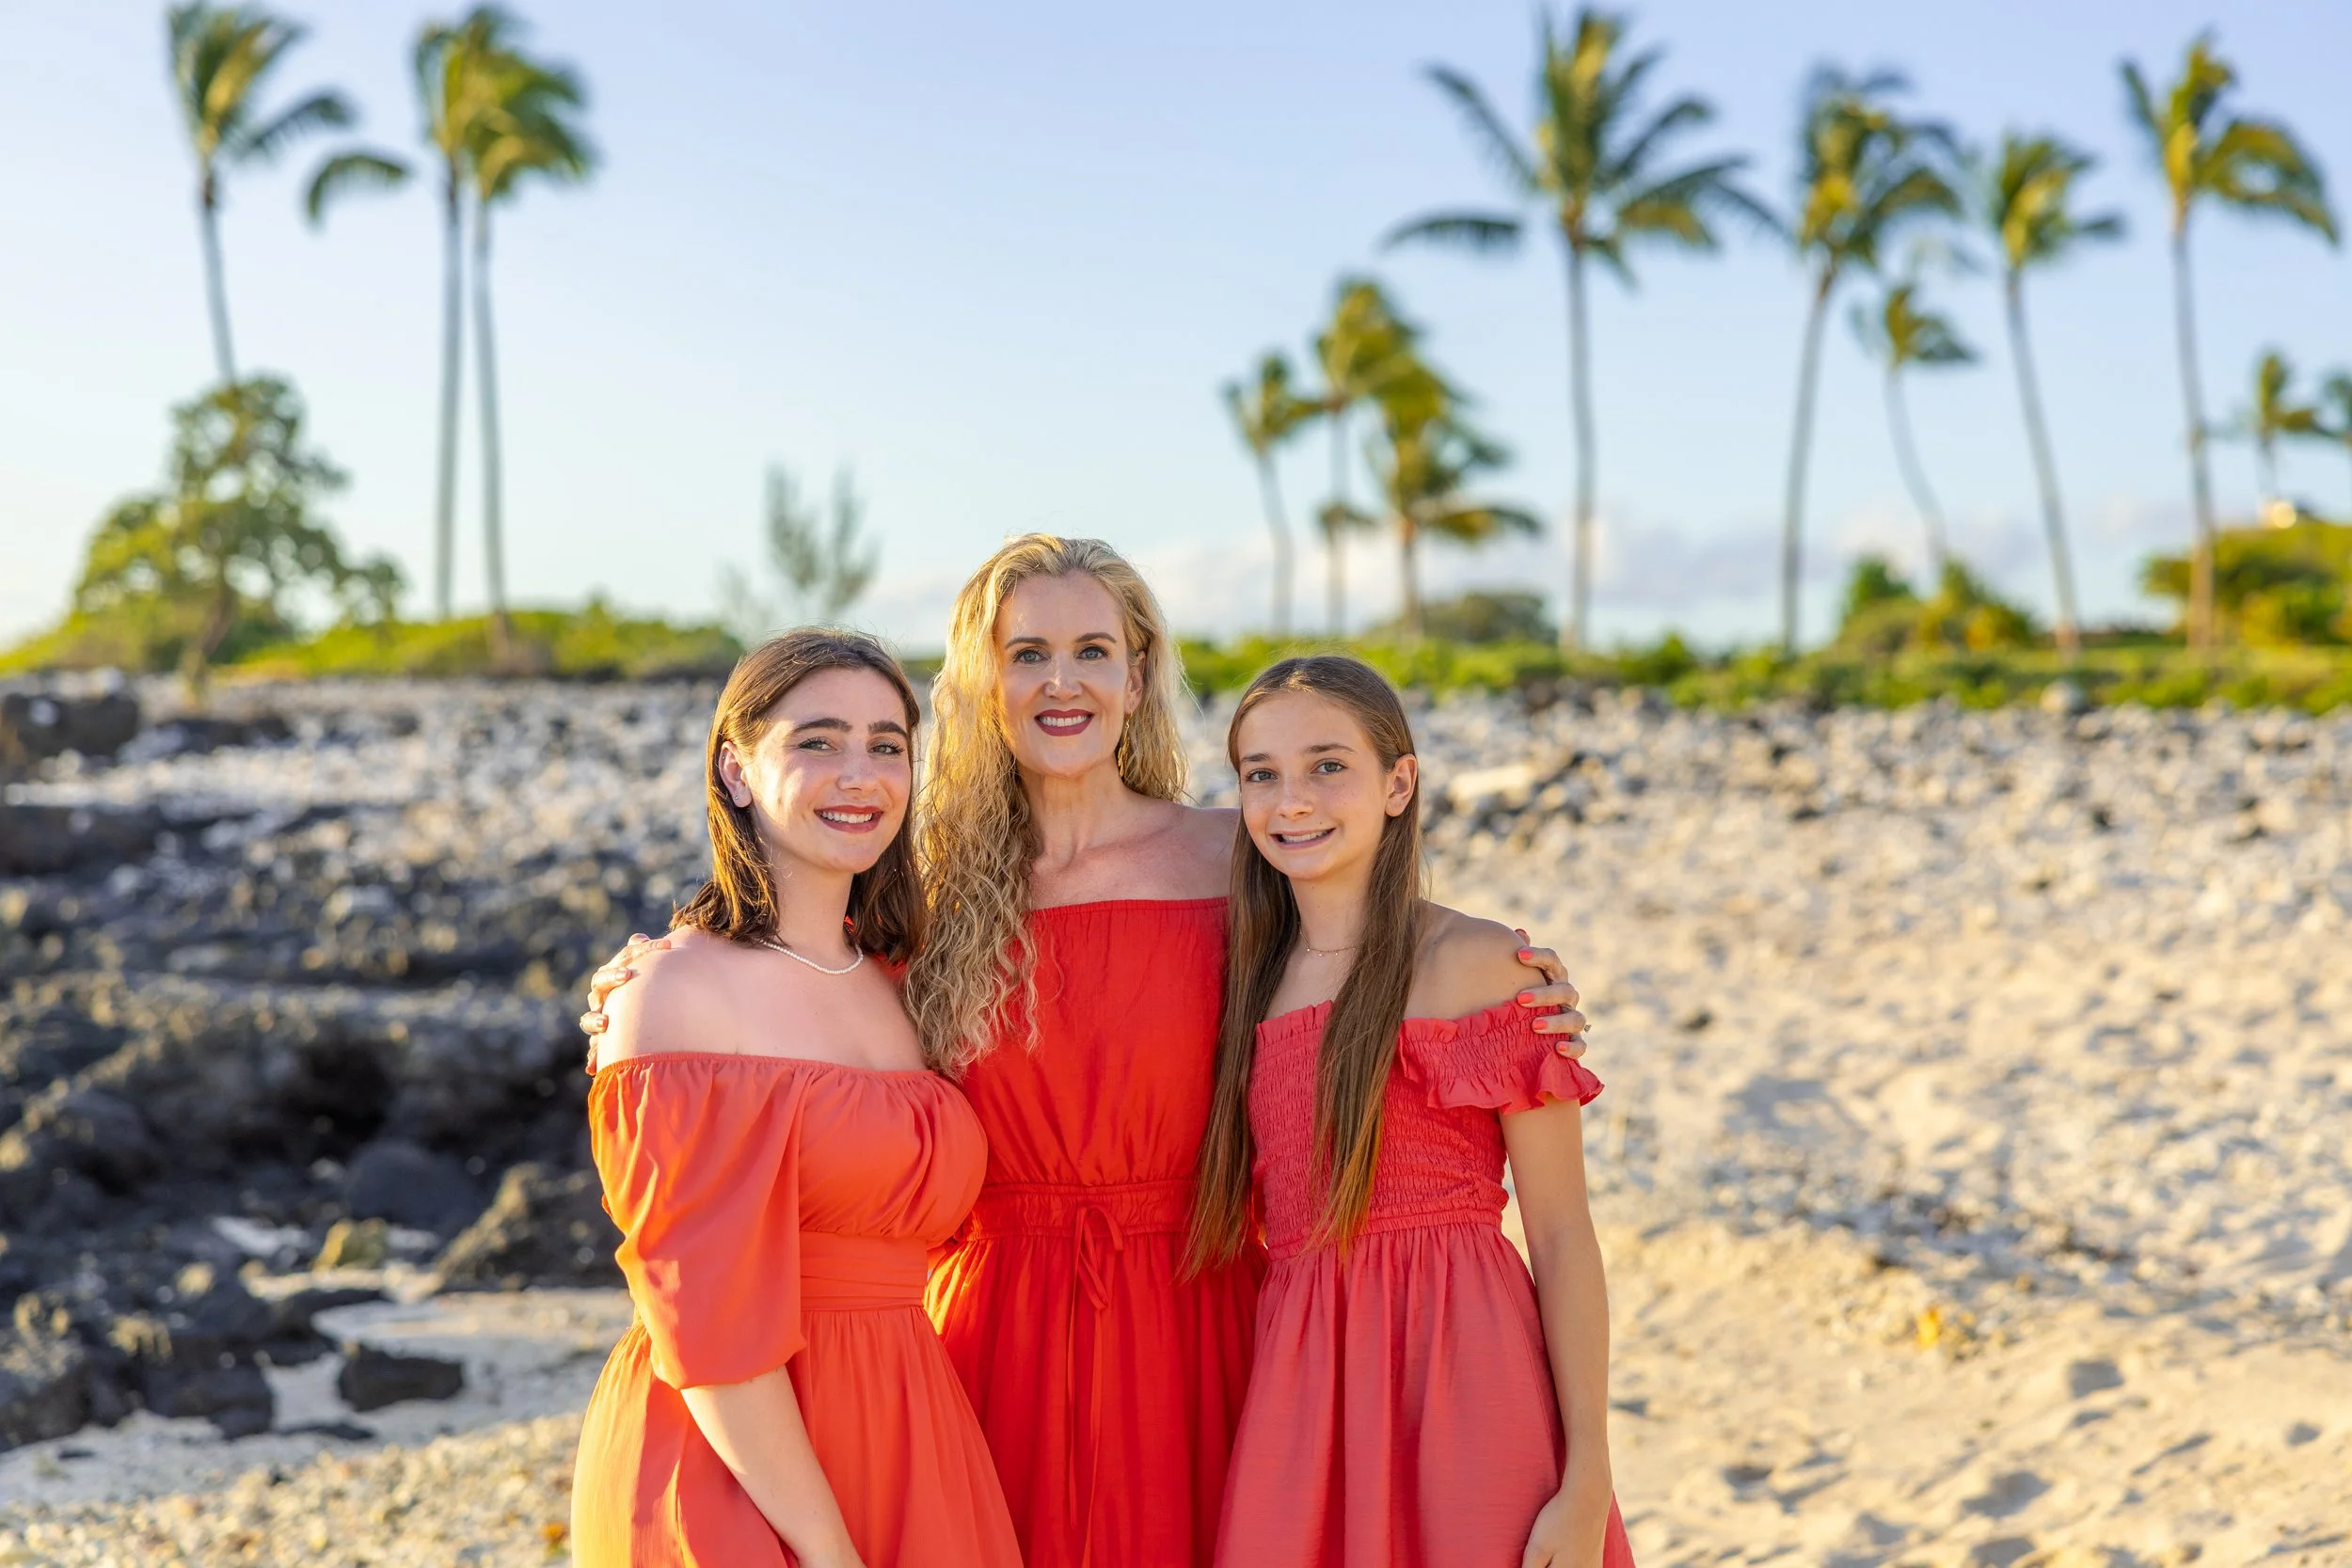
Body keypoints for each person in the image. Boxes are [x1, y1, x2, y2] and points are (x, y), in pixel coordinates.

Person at [584, 534, 1592, 1568]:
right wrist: (648, 977)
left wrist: (1511, 970)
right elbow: (797, 991)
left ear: (1138, 672)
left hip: (1201, 1313)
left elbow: (1370, 925)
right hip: (988, 1336)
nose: (1059, 681)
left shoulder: (1232, 855)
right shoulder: (923, 884)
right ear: (981, 680)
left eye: (1092, 650)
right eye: (1025, 653)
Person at [571, 629, 1020, 1568]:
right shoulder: (675, 994)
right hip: (738, 1458)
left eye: (886, 744)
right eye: (816, 740)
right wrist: (824, 1546)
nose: (859, 774)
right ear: (735, 768)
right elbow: (705, 1316)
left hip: (912, 1423)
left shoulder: (909, 978)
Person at [1191, 654, 1633, 1568]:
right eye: (1260, 774)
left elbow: (1559, 1231)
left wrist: (1587, 1470)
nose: (1292, 798)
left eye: (1327, 764)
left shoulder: (1480, 962)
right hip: (1305, 1384)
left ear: (1399, 783)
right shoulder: (1247, 983)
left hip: (1470, 1370)